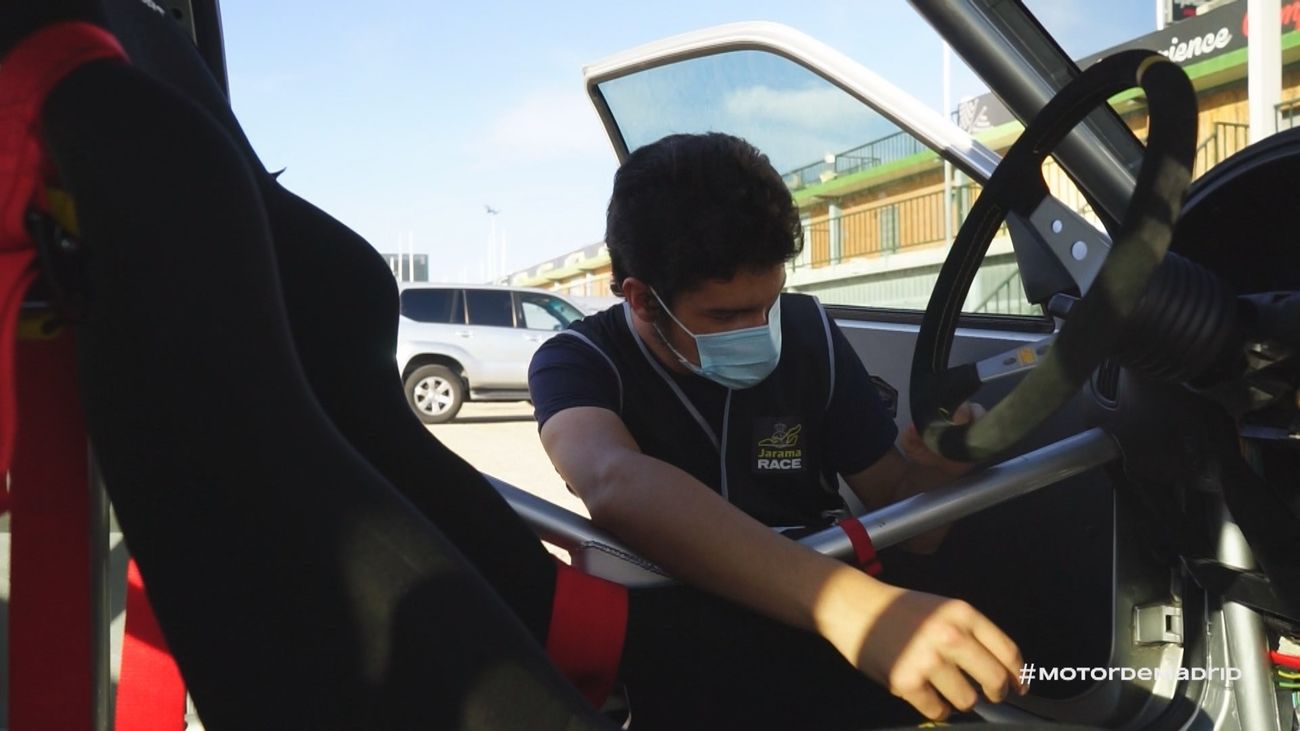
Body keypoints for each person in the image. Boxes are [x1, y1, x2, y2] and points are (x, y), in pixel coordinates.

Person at [529, 132, 1023, 720]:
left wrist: (941, 468)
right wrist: (851, 608)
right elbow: (613, 481)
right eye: (726, 314)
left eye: (769, 304)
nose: (759, 330)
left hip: (827, 627)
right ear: (640, 298)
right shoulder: (579, 361)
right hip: (685, 634)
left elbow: (908, 522)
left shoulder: (809, 333)